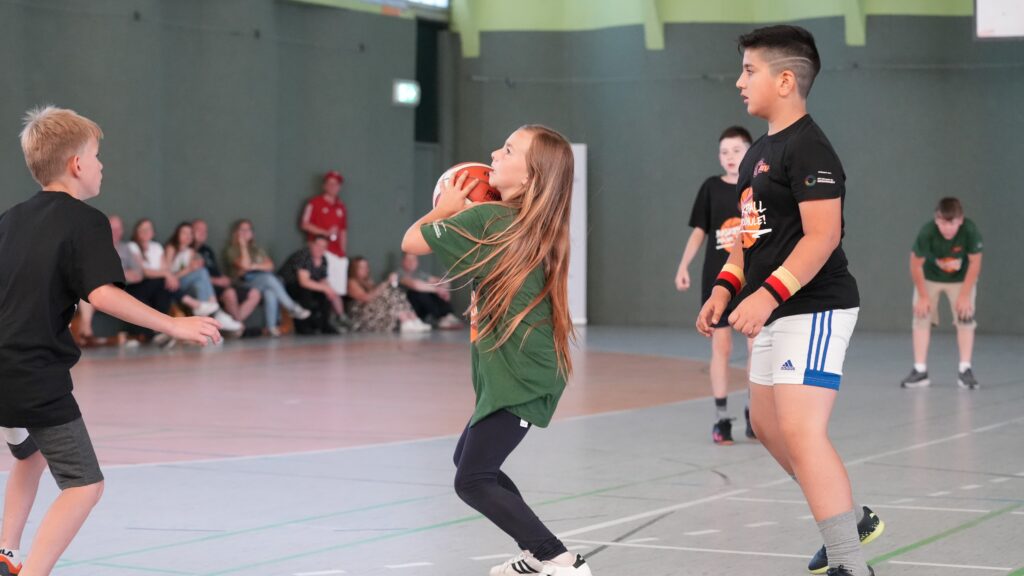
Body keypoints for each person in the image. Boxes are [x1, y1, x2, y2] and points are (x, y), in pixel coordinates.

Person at [0, 105, 220, 576]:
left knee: (30, 453)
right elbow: (102, 293)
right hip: (33, 374)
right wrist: (174, 324)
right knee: (84, 484)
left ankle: (5, 551)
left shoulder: (10, 219)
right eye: (97, 156)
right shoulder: (86, 221)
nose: (102, 165)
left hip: (4, 371)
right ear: (77, 164)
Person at [696, 26, 883, 576]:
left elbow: (822, 236)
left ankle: (850, 563)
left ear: (785, 79)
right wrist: (726, 288)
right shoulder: (757, 153)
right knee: (771, 429)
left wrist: (769, 293)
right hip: (770, 308)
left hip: (815, 304)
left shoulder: (810, 147)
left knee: (802, 432)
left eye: (748, 71)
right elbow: (747, 238)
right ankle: (849, 518)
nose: (738, 81)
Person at [402, 124, 592, 575]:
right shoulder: (523, 224)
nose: (493, 153)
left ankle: (559, 560)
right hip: (517, 373)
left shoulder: (491, 220)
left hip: (520, 377)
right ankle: (539, 552)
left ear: (529, 179)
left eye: (507, 150)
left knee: (472, 478)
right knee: (470, 464)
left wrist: (444, 210)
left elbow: (412, 241)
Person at [675, 125, 755, 444]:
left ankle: (755, 411)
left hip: (751, 280)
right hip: (717, 281)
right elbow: (699, 231)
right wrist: (684, 265)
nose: (730, 157)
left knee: (754, 347)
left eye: (736, 150)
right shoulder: (711, 188)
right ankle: (722, 418)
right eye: (724, 152)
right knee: (721, 347)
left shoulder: (757, 188)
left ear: (749, 152)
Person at [901, 197, 982, 389]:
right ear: (936, 220)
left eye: (952, 222)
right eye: (943, 222)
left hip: (960, 280)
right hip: (929, 277)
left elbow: (975, 262)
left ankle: (965, 369)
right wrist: (922, 295)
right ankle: (920, 370)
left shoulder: (969, 231)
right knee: (921, 316)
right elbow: (915, 264)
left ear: (960, 220)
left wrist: (964, 294)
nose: (947, 228)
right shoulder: (927, 232)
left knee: (965, 317)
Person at [225, 219, 311, 337]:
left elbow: (270, 265)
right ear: (237, 232)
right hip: (241, 284)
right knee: (268, 278)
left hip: (258, 282)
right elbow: (244, 265)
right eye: (242, 230)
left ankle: (271, 327)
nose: (245, 232)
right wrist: (243, 245)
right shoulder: (232, 249)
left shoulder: (257, 249)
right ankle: (291, 307)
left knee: (270, 289)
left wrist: (253, 266)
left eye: (248, 229)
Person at [163, 222, 242, 333]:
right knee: (202, 272)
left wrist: (191, 269)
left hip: (187, 285)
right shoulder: (171, 249)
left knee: (200, 281)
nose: (187, 236)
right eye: (184, 233)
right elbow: (168, 275)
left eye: (190, 234)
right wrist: (189, 269)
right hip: (174, 284)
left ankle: (209, 314)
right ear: (177, 234)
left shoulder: (191, 252)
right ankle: (215, 309)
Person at [192, 219, 261, 327]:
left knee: (255, 293)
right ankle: (239, 326)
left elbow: (216, 271)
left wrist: (224, 279)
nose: (202, 233)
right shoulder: (187, 251)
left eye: (205, 230)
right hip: (208, 288)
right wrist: (216, 281)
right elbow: (193, 276)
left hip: (223, 284)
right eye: (198, 229)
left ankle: (236, 324)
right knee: (230, 294)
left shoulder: (207, 250)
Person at [280, 236, 344, 335]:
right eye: (318, 245)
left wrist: (330, 290)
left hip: (307, 285)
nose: (320, 249)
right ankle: (303, 326)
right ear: (311, 245)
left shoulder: (323, 259)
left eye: (323, 247)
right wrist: (325, 288)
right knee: (306, 291)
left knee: (324, 293)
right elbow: (303, 281)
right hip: (288, 286)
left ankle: (325, 325)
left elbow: (323, 279)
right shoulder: (303, 255)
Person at [346, 257, 429, 333]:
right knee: (388, 293)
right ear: (354, 269)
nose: (366, 270)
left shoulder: (368, 282)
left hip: (376, 312)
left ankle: (413, 319)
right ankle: (405, 321)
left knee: (395, 292)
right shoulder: (351, 282)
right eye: (362, 267)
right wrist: (385, 283)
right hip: (361, 318)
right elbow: (366, 298)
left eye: (366, 267)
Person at [300, 170, 348, 295]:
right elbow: (304, 224)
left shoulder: (341, 206)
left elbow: (343, 231)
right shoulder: (314, 203)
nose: (333, 187)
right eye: (330, 183)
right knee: (326, 286)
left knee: (339, 290)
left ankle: (338, 313)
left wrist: (343, 251)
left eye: (336, 184)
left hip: (337, 252)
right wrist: (324, 232)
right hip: (321, 250)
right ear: (324, 185)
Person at [399, 253, 463, 329]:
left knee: (432, 289)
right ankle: (441, 318)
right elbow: (415, 285)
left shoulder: (420, 274)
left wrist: (444, 290)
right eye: (408, 260)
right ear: (403, 261)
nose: (411, 262)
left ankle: (447, 316)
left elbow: (442, 282)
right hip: (410, 308)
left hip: (424, 308)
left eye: (414, 260)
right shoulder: (399, 273)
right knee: (417, 292)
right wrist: (437, 290)